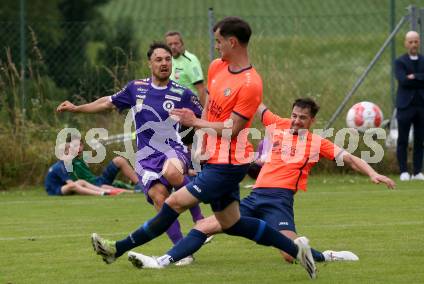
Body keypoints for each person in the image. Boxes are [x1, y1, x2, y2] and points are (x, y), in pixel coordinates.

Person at [89, 17, 319, 279]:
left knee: (173, 202)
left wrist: (194, 122)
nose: (216, 46)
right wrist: (200, 144)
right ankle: (297, 250)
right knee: (231, 223)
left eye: (219, 41)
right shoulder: (216, 67)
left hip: (230, 163)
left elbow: (233, 128)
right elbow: (211, 109)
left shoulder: (250, 83)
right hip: (213, 158)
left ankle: (117, 250)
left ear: (232, 42)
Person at [126, 98, 395, 269]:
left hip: (280, 200)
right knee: (204, 226)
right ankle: (164, 261)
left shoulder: (317, 142)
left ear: (312, 121)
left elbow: (348, 158)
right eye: (294, 115)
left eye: (302, 117)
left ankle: (327, 256)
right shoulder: (277, 125)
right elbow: (255, 101)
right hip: (255, 196)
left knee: (291, 255)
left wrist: (372, 173)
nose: (296, 121)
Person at [56, 42, 207, 263]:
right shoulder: (136, 88)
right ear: (150, 63)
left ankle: (200, 219)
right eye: (159, 59)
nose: (164, 63)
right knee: (159, 198)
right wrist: (78, 108)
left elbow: (203, 119)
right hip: (146, 157)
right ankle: (183, 252)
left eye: (167, 59)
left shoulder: (182, 93)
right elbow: (107, 102)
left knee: (174, 173)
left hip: (172, 148)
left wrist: (209, 139)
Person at [394, 31, 424, 181]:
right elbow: (403, 80)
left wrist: (415, 76)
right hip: (405, 106)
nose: (413, 44)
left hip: (422, 105)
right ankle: (404, 171)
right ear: (406, 43)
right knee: (403, 140)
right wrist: (422, 77)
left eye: (416, 41)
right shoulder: (399, 62)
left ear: (419, 43)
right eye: (410, 42)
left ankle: (418, 171)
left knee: (420, 140)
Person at [45, 143, 129, 196]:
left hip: (60, 188)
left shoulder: (65, 164)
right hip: (54, 191)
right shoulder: (60, 166)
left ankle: (106, 191)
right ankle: (101, 193)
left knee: (81, 182)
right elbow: (70, 183)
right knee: (73, 185)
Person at [68, 136, 142, 191]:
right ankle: (137, 189)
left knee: (119, 161)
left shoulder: (82, 158)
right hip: (93, 186)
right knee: (108, 186)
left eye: (80, 145)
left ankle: (140, 185)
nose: (79, 148)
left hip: (98, 180)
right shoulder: (68, 160)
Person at [165, 31, 206, 106]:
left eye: (176, 43)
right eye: (170, 44)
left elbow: (201, 89)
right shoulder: (167, 60)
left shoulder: (190, 60)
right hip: (172, 105)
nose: (173, 47)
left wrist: (204, 113)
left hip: (189, 107)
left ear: (182, 44)